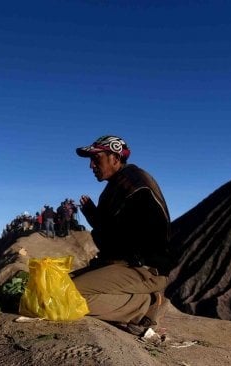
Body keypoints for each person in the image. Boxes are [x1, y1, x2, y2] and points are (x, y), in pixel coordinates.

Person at [71, 135, 172, 335]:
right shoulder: (117, 186)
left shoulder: (135, 186)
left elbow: (131, 238)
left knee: (66, 294)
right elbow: (114, 233)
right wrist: (95, 217)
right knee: (58, 284)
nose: (91, 166)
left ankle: (147, 304)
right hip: (122, 262)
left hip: (143, 268)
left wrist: (96, 221)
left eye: (96, 158)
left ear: (115, 158)